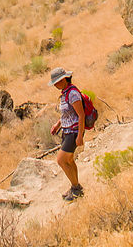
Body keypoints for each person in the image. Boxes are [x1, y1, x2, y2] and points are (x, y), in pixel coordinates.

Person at [48, 67, 87, 201]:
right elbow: (67, 113)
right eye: (54, 83)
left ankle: (76, 188)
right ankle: (76, 188)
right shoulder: (65, 93)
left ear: (64, 79)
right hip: (67, 130)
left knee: (61, 160)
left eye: (57, 81)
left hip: (73, 132)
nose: (55, 85)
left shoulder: (72, 93)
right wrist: (57, 125)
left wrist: (80, 135)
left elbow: (81, 115)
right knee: (69, 160)